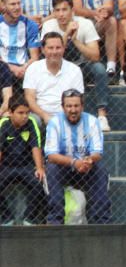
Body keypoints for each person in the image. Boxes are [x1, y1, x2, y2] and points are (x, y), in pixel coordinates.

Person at [42, 88, 112, 225]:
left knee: (100, 170)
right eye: (69, 106)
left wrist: (89, 160)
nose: (73, 110)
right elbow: (51, 155)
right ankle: (55, 221)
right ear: (63, 107)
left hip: (86, 166)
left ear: (82, 106)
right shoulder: (55, 123)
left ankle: (101, 222)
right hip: (63, 167)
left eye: (76, 106)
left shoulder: (92, 121)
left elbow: (98, 152)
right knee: (51, 168)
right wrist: (74, 162)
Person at [42, 0, 111, 133]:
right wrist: (67, 34)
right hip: (58, 66)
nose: (61, 14)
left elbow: (95, 55)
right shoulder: (49, 26)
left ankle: (102, 115)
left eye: (64, 10)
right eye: (57, 10)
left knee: (99, 68)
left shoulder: (85, 24)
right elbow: (50, 54)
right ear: (53, 12)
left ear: (72, 10)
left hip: (81, 66)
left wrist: (76, 41)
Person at [0, 97, 45, 226]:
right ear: (10, 112)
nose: (25, 116)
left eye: (27, 112)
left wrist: (39, 168)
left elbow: (35, 147)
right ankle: (6, 217)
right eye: (20, 113)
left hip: (26, 166)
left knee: (39, 184)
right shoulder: (3, 124)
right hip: (6, 166)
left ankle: (29, 218)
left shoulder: (31, 123)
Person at [23, 33, 85, 126]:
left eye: (58, 47)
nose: (54, 52)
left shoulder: (74, 70)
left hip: (66, 114)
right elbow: (29, 98)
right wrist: (45, 115)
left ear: (64, 49)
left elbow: (78, 99)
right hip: (40, 115)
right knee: (34, 120)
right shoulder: (33, 68)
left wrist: (64, 116)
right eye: (50, 48)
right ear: (43, 50)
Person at [0, 0, 39, 82]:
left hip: (24, 68)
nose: (17, 7)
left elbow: (35, 57)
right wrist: (13, 68)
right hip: (2, 68)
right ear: (3, 5)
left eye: (19, 3)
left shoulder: (30, 25)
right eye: (13, 4)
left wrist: (22, 68)